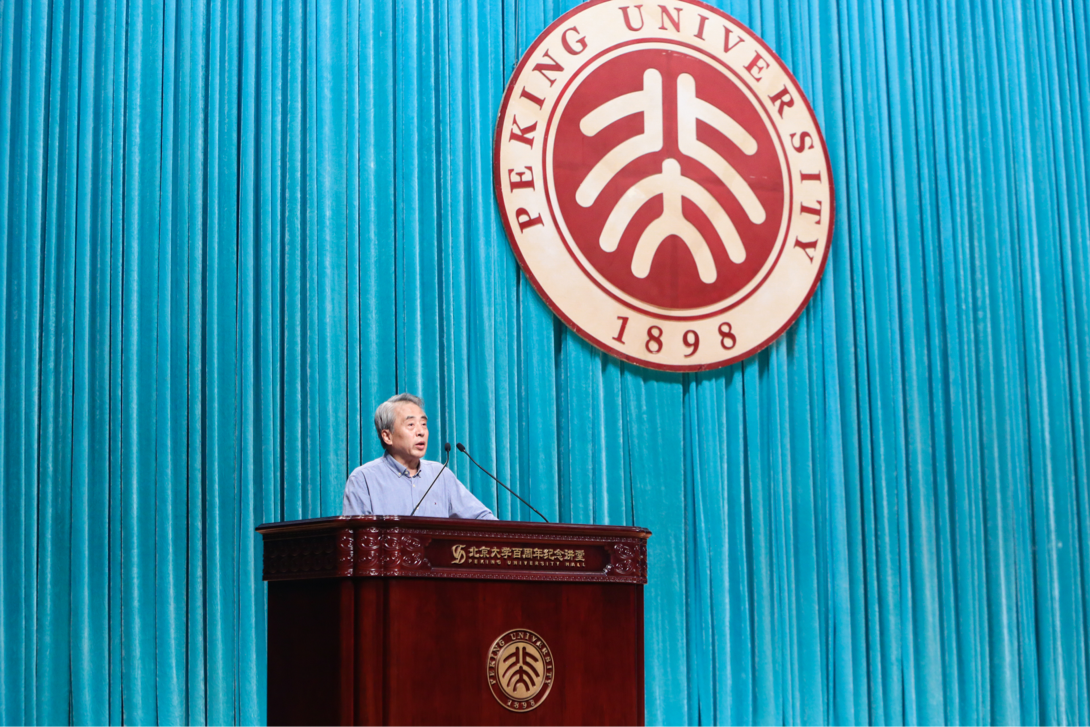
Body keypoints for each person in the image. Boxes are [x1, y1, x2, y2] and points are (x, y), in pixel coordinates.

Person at [342, 393, 496, 519]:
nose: (421, 432)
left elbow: (482, 518)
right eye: (411, 425)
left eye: (423, 424)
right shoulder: (363, 479)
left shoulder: (440, 475)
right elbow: (356, 538)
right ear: (387, 436)